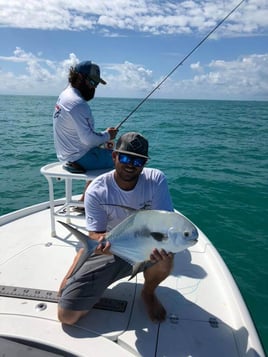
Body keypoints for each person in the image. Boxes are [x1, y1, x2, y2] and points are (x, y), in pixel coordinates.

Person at [57, 132, 174, 325]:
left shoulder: (156, 180)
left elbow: (163, 224)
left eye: (138, 161)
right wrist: (100, 242)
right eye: (126, 158)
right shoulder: (97, 190)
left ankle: (148, 293)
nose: (131, 164)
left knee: (166, 257)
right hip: (112, 249)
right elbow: (95, 233)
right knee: (67, 316)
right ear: (114, 156)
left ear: (144, 164)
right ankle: (80, 257)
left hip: (145, 246)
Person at [53, 60, 118, 173]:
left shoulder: (64, 95)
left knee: (111, 150)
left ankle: (89, 191)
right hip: (80, 158)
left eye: (96, 84)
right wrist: (108, 135)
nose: (94, 88)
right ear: (79, 77)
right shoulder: (77, 103)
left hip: (67, 156)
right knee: (128, 159)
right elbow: (88, 140)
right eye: (92, 82)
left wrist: (105, 135)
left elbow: (85, 137)